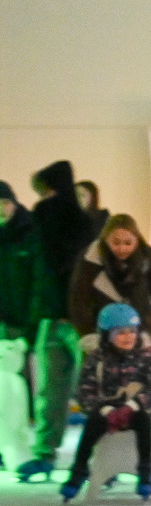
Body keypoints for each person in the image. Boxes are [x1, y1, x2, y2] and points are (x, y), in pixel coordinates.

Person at [19, 161, 97, 481]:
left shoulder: (81, 226)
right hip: (50, 319)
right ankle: (44, 454)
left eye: (47, 192)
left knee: (91, 392)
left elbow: (68, 267)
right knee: (50, 393)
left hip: (80, 322)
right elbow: (36, 276)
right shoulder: (43, 224)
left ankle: (99, 456)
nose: (43, 199)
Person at [60, 301, 151, 504]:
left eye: (132, 332)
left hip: (135, 411)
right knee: (91, 425)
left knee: (144, 422)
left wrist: (134, 405)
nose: (128, 337)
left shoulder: (144, 357)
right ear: (107, 335)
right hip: (105, 412)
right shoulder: (97, 359)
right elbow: (84, 391)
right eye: (121, 333)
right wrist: (104, 409)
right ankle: (79, 469)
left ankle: (145, 469)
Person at [70, 214, 151, 352]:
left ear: (137, 240)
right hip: (102, 335)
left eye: (128, 243)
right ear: (106, 239)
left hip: (141, 333)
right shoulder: (91, 259)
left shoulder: (148, 257)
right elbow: (79, 299)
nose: (122, 249)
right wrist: (87, 334)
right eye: (116, 243)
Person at [0, 181, 38, 471]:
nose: (2, 209)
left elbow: (36, 281)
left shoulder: (28, 232)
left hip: (17, 320)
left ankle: (17, 442)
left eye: (5, 202)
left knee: (17, 388)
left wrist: (30, 321)